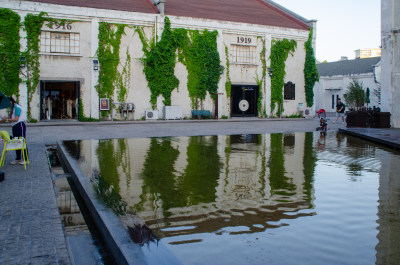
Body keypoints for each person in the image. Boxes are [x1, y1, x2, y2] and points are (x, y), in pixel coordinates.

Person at [0, 97, 27, 165]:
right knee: (16, 141)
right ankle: (18, 158)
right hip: (14, 126)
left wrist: (6, 120)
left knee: (22, 141)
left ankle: (26, 159)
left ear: (11, 102)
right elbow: (11, 118)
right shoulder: (13, 108)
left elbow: (16, 119)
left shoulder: (17, 107)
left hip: (19, 125)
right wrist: (4, 119)